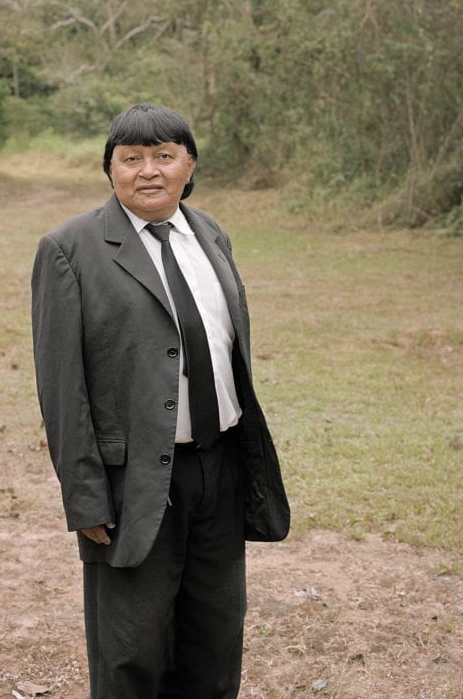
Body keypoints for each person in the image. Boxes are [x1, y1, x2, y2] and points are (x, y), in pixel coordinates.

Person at [31, 101, 289, 699]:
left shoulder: (210, 233)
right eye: (132, 158)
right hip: (132, 485)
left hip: (218, 468)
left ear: (189, 165)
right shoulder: (70, 249)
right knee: (131, 655)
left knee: (214, 643)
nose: (149, 170)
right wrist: (85, 494)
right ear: (111, 169)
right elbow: (60, 389)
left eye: (164, 156)